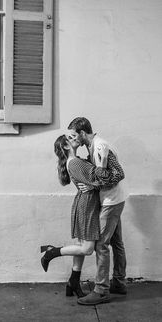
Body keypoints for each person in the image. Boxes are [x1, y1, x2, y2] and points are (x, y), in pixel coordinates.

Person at [40, 134, 125, 299]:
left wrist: (92, 184)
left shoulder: (77, 160)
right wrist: (103, 160)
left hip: (87, 203)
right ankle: (52, 251)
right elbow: (100, 177)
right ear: (65, 146)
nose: (74, 138)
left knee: (81, 245)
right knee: (87, 249)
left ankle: (73, 282)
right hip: (87, 206)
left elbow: (93, 180)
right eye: (70, 139)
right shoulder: (76, 163)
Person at [68, 117, 127, 305]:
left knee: (101, 245)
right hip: (114, 199)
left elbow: (118, 174)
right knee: (116, 243)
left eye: (75, 136)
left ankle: (101, 290)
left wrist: (97, 180)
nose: (73, 139)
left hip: (111, 201)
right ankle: (119, 283)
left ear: (83, 133)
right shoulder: (93, 147)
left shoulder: (100, 146)